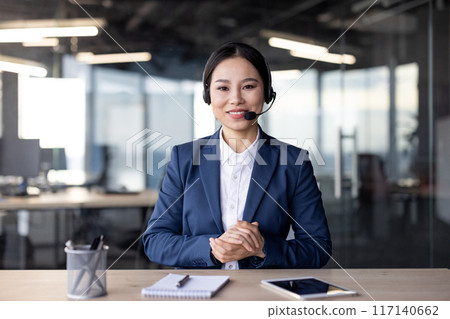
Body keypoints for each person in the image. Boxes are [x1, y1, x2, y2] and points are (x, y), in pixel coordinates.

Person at [143, 42, 331, 269]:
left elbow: (318, 248)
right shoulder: (184, 158)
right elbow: (155, 241)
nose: (236, 99)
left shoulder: (293, 162)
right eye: (223, 88)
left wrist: (262, 248)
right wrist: (213, 249)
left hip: (262, 292)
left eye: (248, 86)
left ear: (267, 92)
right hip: (197, 294)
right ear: (208, 95)